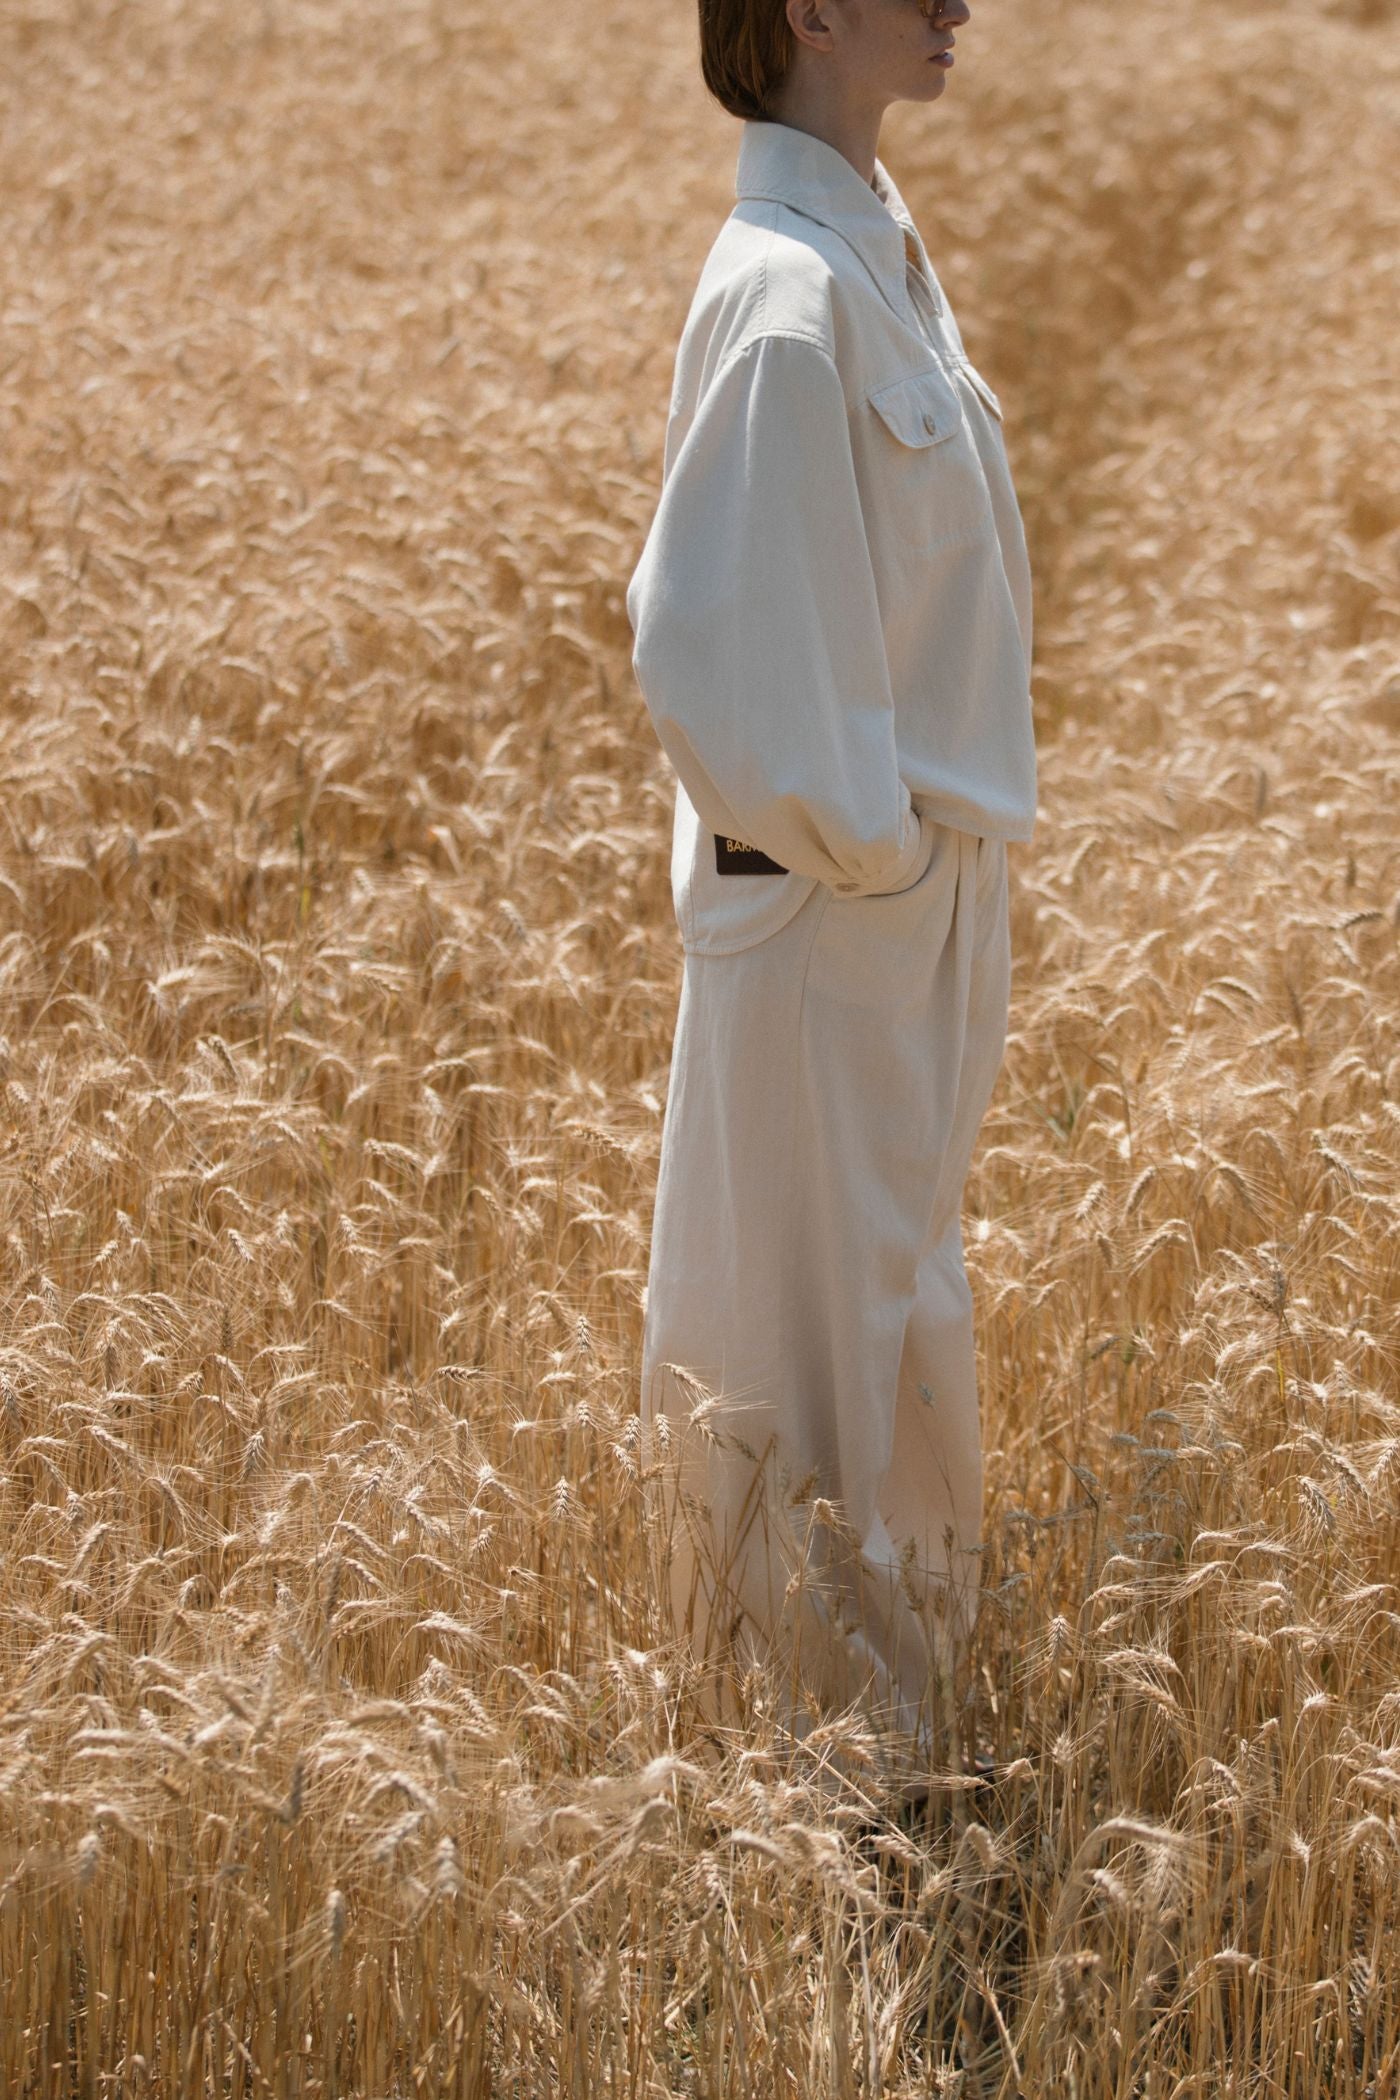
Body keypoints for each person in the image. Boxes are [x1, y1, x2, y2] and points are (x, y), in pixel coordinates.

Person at [624, 0, 1036, 1786]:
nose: (960, 2)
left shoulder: (868, 249)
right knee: (796, 1366)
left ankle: (900, 1778)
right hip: (834, 914)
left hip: (900, 903)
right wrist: (875, 849)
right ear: (803, 9)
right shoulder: (787, 300)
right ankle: (802, 1810)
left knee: (890, 1322)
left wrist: (920, 866)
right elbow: (716, 648)